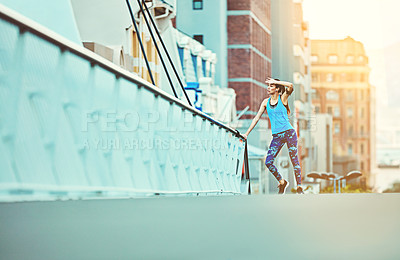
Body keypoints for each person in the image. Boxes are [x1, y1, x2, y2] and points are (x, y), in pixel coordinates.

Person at [242, 78, 303, 194]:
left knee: (294, 160)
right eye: (268, 86)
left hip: (289, 133)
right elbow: (256, 118)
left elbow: (290, 85)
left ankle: (299, 187)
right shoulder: (265, 102)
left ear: (277, 88)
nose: (268, 88)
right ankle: (282, 181)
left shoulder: (283, 98)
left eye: (271, 86)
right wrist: (246, 133)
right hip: (277, 136)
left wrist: (277, 82)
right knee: (268, 162)